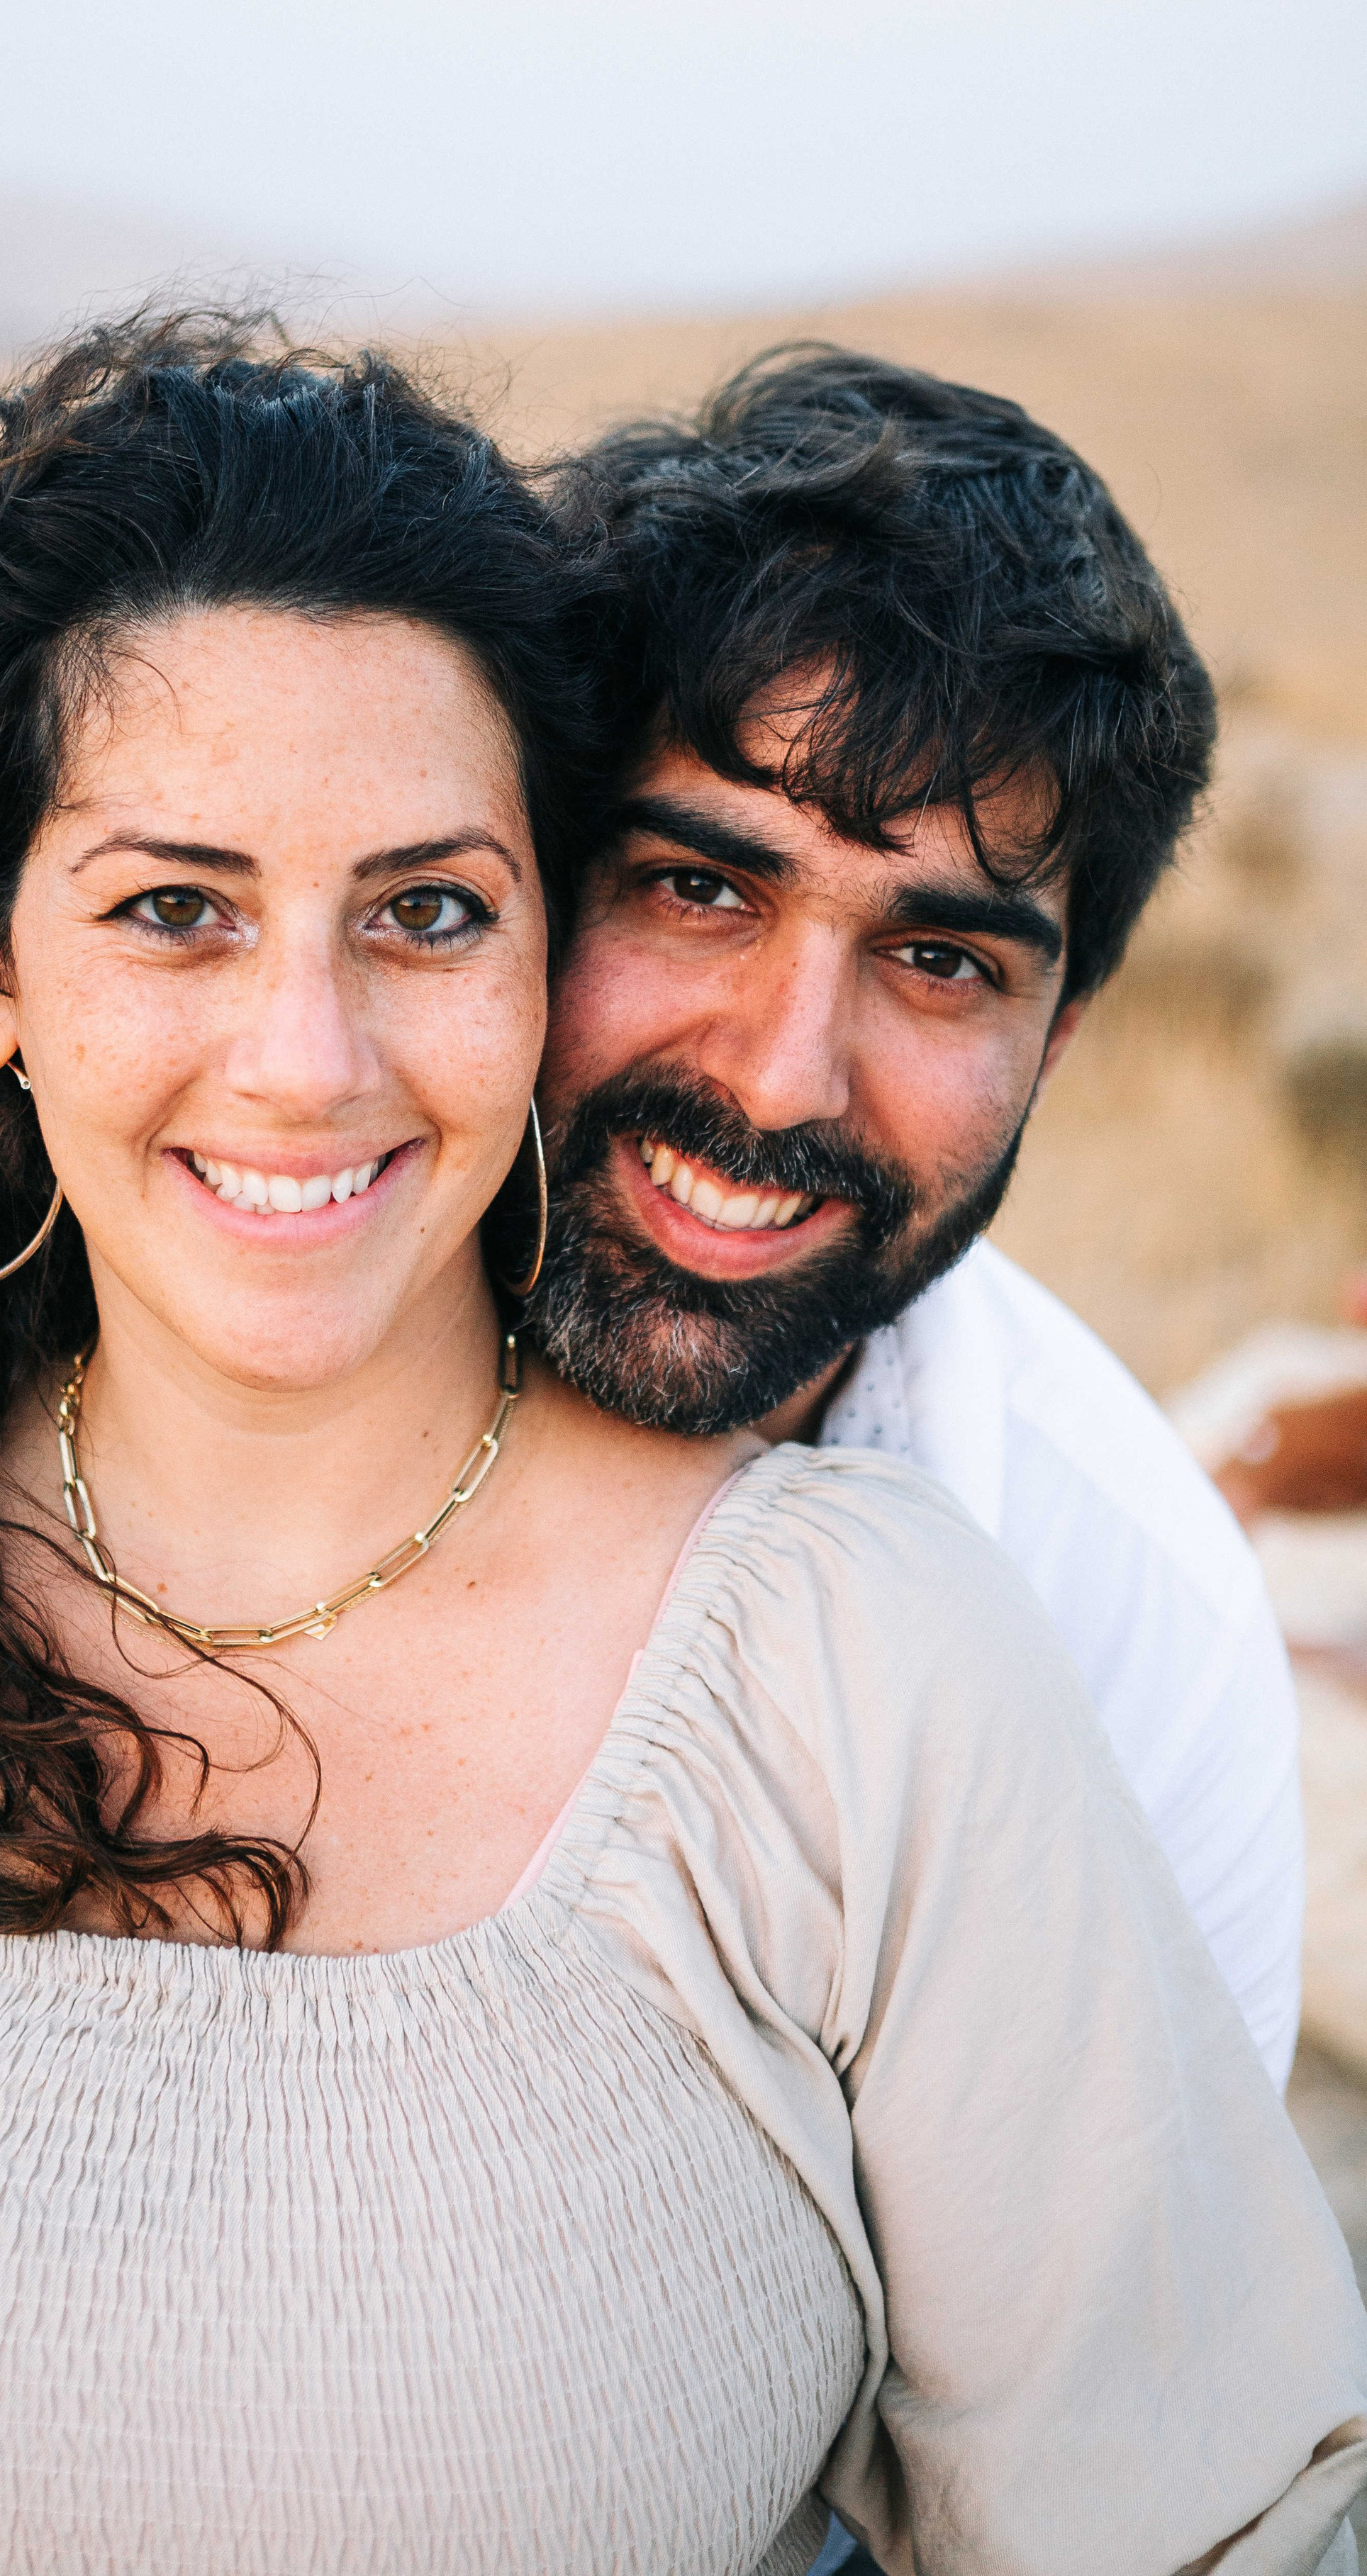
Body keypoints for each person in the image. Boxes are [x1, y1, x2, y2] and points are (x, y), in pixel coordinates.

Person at [0, 313, 1363, 2576]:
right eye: (173, 908)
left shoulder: (990, 1636)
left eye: (420, 911)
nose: (306, 1061)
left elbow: (1196, 2499)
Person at [535, 345, 1305, 2098]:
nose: (788, 1078)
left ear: (1057, 1041)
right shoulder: (177, 1370)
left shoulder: (1126, 1619)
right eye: (697, 886)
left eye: (939, 959)